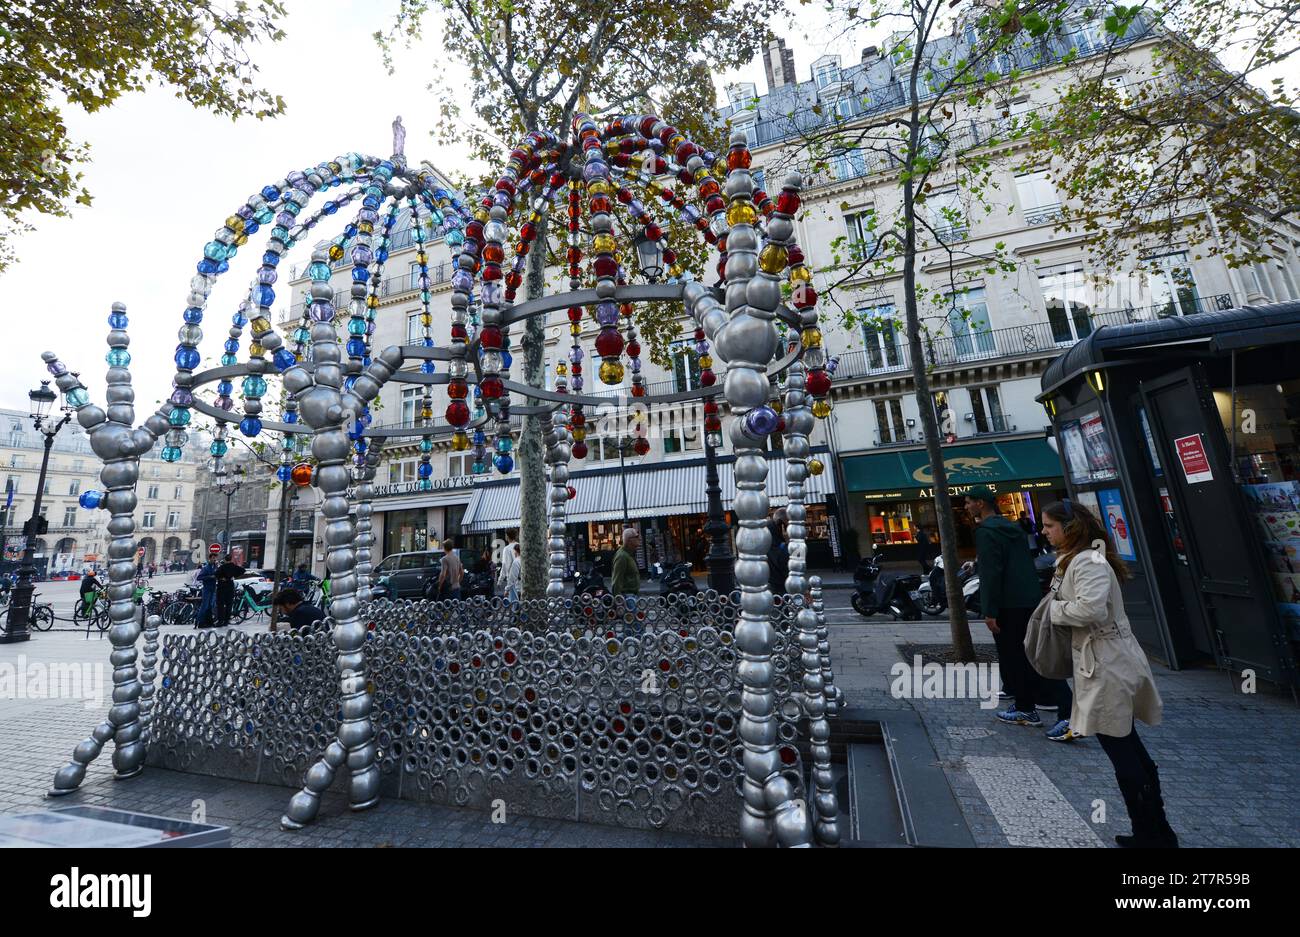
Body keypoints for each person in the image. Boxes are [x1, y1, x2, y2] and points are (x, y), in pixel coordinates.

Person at [1040, 499, 1176, 847]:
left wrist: (1054, 610)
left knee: (1122, 749)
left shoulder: (1087, 560)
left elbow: (1091, 609)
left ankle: (1152, 835)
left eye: (1049, 525)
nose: (1044, 532)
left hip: (1105, 663)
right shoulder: (1082, 559)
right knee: (1126, 745)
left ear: (1068, 527)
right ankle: (1155, 832)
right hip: (1104, 659)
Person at [965, 486, 1073, 737]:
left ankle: (1063, 711)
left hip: (1007, 603)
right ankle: (1026, 706)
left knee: (1020, 657)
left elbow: (992, 573)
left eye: (969, 502)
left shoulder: (985, 532)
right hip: (1027, 598)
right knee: (1031, 654)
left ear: (981, 504)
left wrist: (989, 610)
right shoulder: (1011, 527)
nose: (967, 506)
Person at [214, 553, 245, 627]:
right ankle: (226, 620)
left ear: (225, 559)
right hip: (230, 585)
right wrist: (234, 576)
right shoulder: (234, 567)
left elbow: (216, 574)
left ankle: (220, 620)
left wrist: (221, 577)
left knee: (220, 604)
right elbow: (243, 570)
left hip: (222, 586)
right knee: (229, 604)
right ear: (231, 559)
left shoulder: (222, 567)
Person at [611, 527, 641, 597]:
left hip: (632, 595)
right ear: (629, 540)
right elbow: (617, 580)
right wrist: (618, 600)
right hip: (627, 596)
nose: (638, 539)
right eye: (636, 537)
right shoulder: (622, 556)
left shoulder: (629, 554)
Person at [194, 549, 219, 628]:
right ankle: (199, 622)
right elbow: (199, 577)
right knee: (204, 605)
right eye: (213, 558)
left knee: (210, 606)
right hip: (207, 589)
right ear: (210, 558)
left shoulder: (215, 567)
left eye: (215, 558)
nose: (214, 560)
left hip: (213, 588)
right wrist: (210, 577)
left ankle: (209, 621)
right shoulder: (206, 567)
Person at [766, 508, 789, 596]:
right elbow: (796, 561)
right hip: (781, 585)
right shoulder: (781, 546)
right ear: (781, 525)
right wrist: (789, 541)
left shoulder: (768, 539)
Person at [496, 531, 517, 598]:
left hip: (512, 579)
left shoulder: (507, 549)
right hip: (521, 578)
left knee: (513, 603)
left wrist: (500, 581)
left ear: (507, 537)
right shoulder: (520, 546)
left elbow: (505, 566)